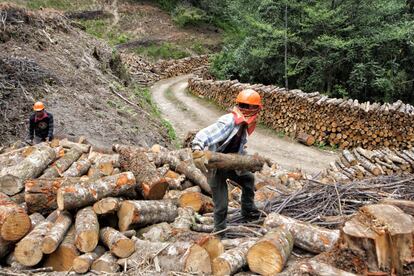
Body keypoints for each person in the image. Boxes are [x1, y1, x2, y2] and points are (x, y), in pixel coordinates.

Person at [191, 89, 262, 233]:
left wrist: (247, 162)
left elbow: (238, 148)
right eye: (252, 107)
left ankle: (248, 211)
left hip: (230, 164)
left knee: (248, 179)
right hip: (215, 167)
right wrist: (197, 149)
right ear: (253, 108)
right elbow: (205, 134)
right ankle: (219, 232)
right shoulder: (229, 121)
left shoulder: (242, 125)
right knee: (222, 204)